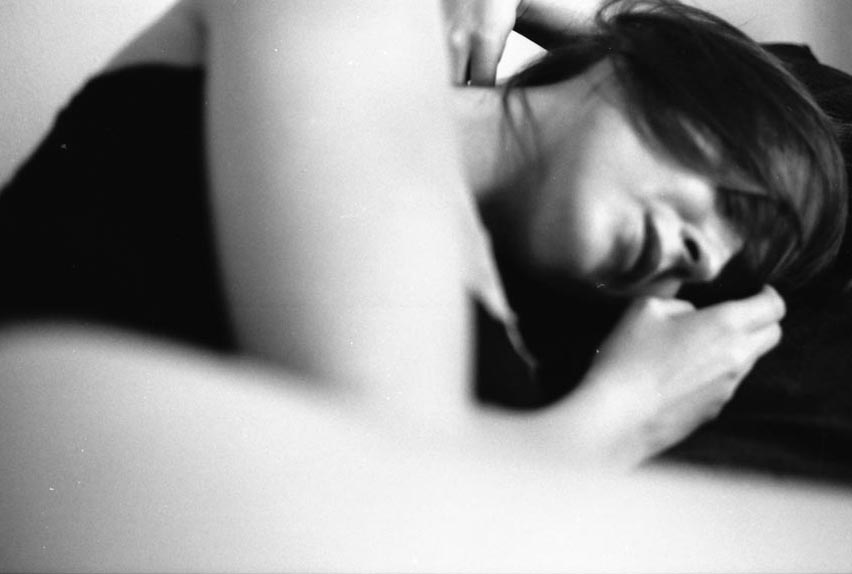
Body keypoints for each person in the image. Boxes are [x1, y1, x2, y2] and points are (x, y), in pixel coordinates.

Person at [1, 1, 851, 569]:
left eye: (731, 269)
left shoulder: (507, 339)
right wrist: (625, 414)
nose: (707, 261)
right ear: (653, 70)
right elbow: (381, 499)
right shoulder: (360, 17)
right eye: (740, 205)